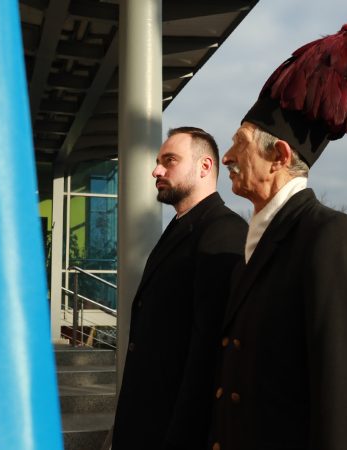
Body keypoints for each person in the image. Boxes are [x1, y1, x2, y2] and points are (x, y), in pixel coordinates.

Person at [209, 22, 347, 450]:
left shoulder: (333, 239)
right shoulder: (261, 242)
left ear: (279, 156)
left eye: (240, 143)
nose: (227, 157)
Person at [111, 127, 248, 450]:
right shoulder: (180, 226)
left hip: (172, 432)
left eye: (169, 160)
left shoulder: (224, 231)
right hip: (145, 423)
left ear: (204, 167)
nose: (156, 171)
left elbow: (207, 353)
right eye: (158, 162)